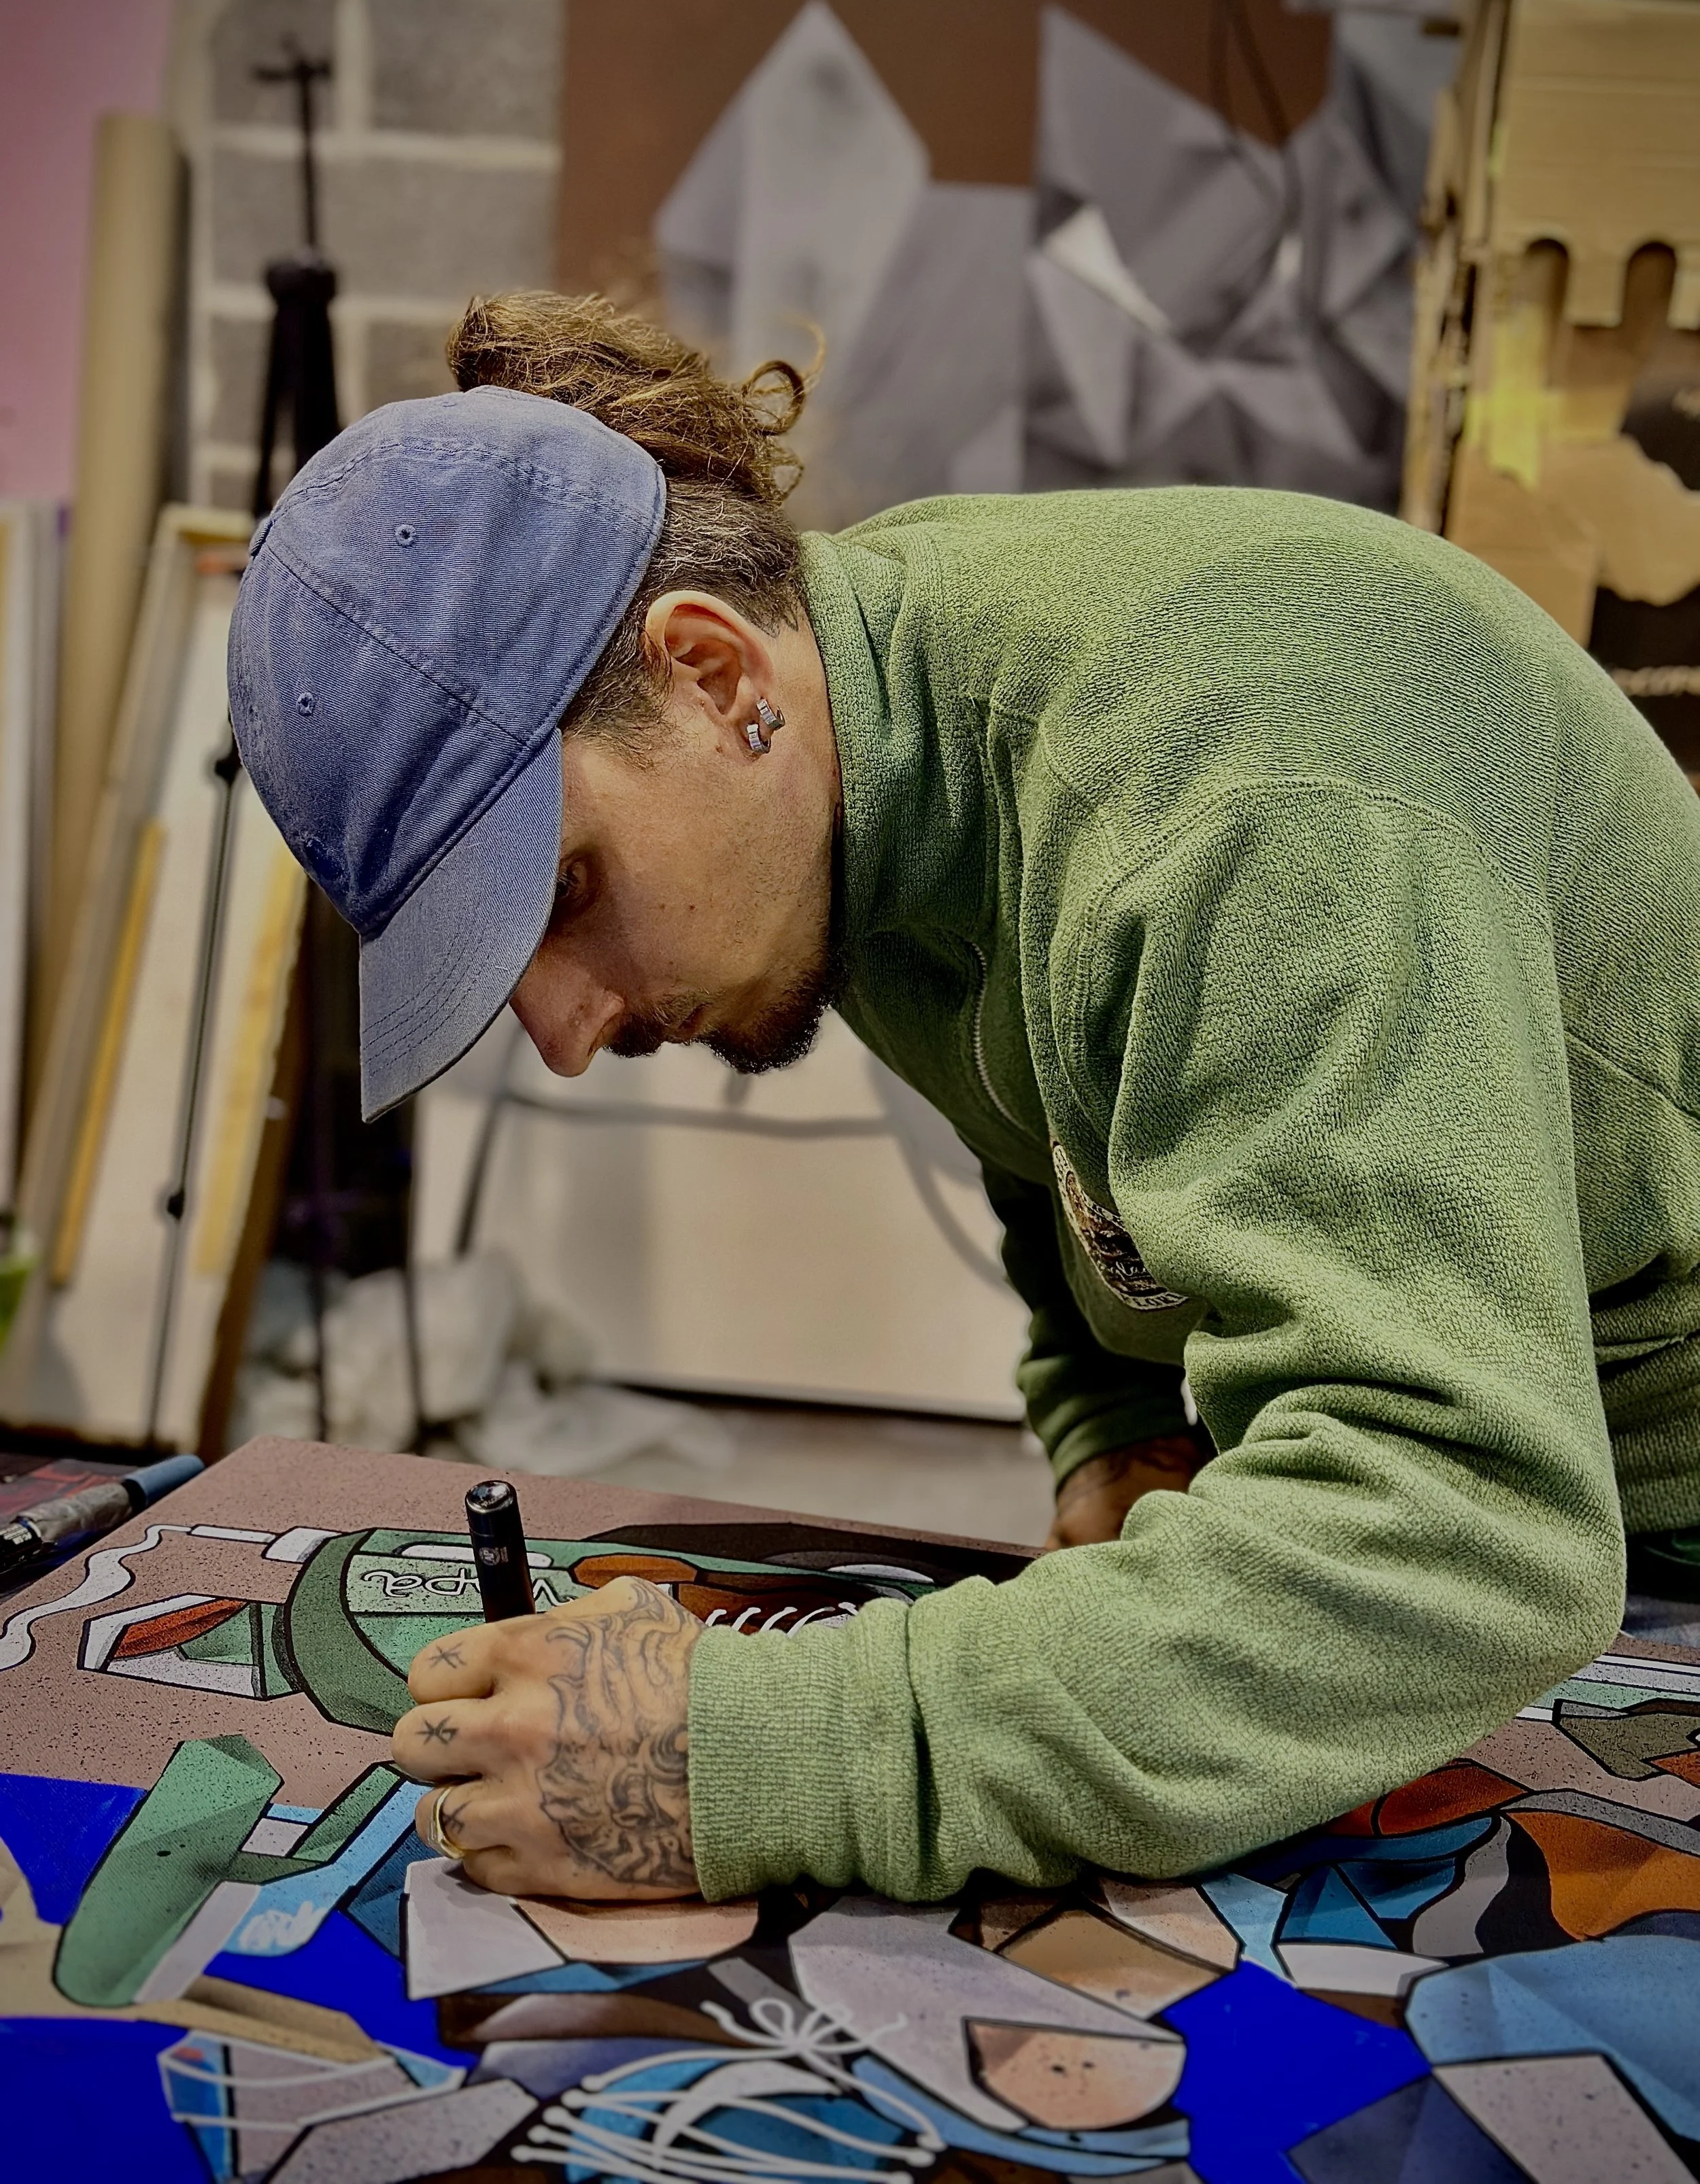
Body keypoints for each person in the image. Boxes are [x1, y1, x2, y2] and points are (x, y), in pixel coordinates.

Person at [228, 290, 1700, 1910]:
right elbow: (1059, 1120)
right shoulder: (865, 752)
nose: (565, 1035)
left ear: (714, 676)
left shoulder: (1237, 805)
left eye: (564, 892)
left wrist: (755, 1753)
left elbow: (1460, 1522)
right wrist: (1115, 1420)